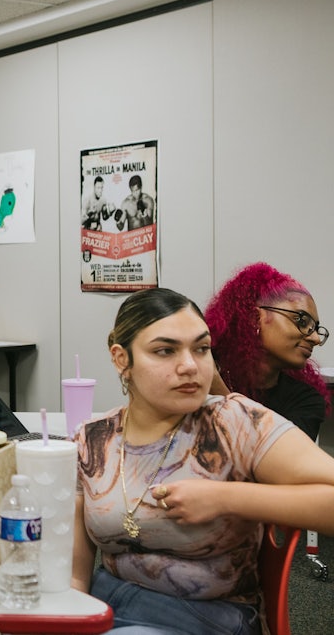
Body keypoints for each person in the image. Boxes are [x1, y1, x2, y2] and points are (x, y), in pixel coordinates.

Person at [72, 287, 334, 634]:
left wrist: (225, 498)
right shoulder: (94, 440)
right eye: (165, 351)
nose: (190, 366)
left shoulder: (235, 422)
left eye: (201, 348)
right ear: (122, 359)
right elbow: (75, 574)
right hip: (106, 605)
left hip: (205, 618)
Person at [204, 262, 330, 441]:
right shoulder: (202, 369)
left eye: (316, 329)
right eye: (302, 321)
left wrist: (218, 390)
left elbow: (282, 458)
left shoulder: (305, 399)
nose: (316, 339)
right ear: (255, 319)